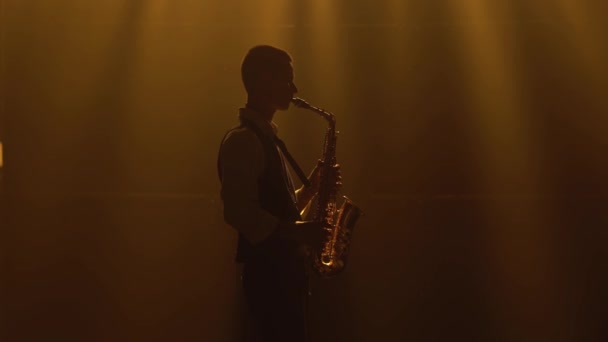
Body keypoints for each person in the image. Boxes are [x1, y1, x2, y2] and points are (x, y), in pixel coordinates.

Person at [217, 45, 336, 342]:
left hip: (284, 278)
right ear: (263, 81)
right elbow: (239, 213)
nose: (294, 88)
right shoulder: (243, 142)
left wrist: (313, 188)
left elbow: (277, 209)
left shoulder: (266, 139)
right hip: (269, 280)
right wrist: (300, 234)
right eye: (287, 79)